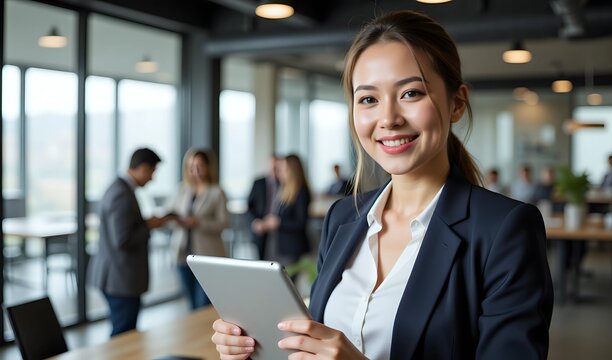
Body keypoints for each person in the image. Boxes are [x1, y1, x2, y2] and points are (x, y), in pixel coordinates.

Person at [211, 10, 552, 359]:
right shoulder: (344, 217)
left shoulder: (505, 229)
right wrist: (257, 350)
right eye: (369, 99)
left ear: (457, 103)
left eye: (411, 93)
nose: (388, 118)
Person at [88, 148, 170, 337]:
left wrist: (146, 223)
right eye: (152, 172)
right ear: (142, 168)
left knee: (124, 334)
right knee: (123, 337)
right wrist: (149, 227)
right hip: (120, 278)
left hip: (118, 277)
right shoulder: (121, 194)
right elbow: (123, 240)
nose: (152, 178)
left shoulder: (119, 188)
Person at [169, 149, 229, 310]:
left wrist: (198, 222)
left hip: (207, 255)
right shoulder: (182, 189)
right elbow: (171, 217)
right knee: (191, 305)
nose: (195, 171)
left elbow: (223, 223)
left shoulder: (217, 192)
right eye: (191, 166)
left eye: (199, 166)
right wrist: (177, 220)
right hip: (183, 253)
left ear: (208, 167)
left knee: (203, 304)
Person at [261, 154, 311, 267]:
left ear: (292, 171)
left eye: (283, 169)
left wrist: (278, 222)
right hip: (279, 245)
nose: (280, 173)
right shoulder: (283, 190)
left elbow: (301, 222)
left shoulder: (301, 192)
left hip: (292, 249)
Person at [247, 155, 280, 260]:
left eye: (276, 167)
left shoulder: (284, 184)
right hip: (260, 227)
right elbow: (249, 205)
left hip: (277, 228)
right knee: (260, 259)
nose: (274, 169)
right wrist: (255, 221)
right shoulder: (258, 183)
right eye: (272, 166)